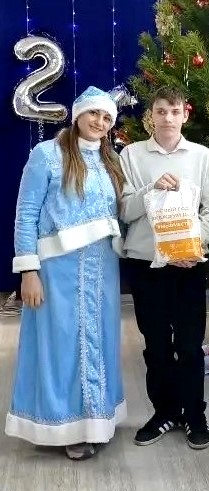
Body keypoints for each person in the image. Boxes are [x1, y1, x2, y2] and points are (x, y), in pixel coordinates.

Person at [6, 86, 126, 460]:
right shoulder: (47, 155)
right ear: (78, 115)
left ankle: (96, 422)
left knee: (99, 342)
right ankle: (64, 427)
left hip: (102, 270)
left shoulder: (110, 160)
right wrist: (28, 271)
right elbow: (26, 213)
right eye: (93, 114)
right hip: (58, 271)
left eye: (106, 117)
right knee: (61, 346)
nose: (99, 122)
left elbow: (119, 211)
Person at [120, 86, 209, 450]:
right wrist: (151, 189)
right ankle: (164, 412)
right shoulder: (131, 155)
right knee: (157, 346)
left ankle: (194, 414)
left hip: (188, 264)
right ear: (151, 116)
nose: (167, 118)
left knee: (191, 345)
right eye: (161, 111)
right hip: (145, 263)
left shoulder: (202, 157)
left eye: (175, 111)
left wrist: (192, 245)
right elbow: (124, 211)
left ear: (185, 115)